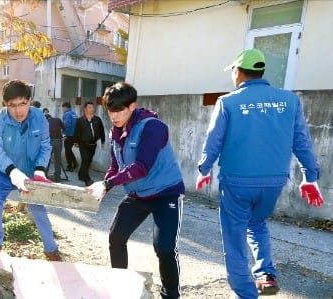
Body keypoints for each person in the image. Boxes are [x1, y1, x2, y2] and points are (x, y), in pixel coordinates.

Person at [195, 48, 323, 298]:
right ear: (261, 72)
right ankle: (265, 274)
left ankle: (245, 293)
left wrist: (204, 168)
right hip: (274, 182)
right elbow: (302, 141)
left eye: (233, 71)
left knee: (234, 234)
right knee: (257, 223)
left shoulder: (228, 102)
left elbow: (213, 141)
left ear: (238, 73)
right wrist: (310, 177)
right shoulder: (289, 100)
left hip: (237, 182)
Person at [87, 82, 184, 299]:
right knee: (116, 237)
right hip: (138, 195)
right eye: (110, 111)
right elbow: (115, 166)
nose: (114, 116)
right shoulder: (116, 132)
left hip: (165, 193)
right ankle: (120, 285)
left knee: (165, 248)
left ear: (132, 106)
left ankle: (171, 295)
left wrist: (107, 184)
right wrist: (104, 186)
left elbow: (142, 166)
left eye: (119, 110)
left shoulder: (153, 127)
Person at [0, 79, 61, 261]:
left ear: (30, 101)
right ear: (5, 105)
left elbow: (46, 145)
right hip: (6, 174)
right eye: (12, 105)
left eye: (23, 104)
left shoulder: (39, 117)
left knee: (39, 211)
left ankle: (51, 249)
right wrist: (12, 171)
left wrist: (39, 170)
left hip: (31, 175)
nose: (18, 110)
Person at [73, 101, 105, 186]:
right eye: (89, 107)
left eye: (92, 107)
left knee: (88, 161)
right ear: (85, 109)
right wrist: (75, 141)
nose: (92, 109)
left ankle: (81, 174)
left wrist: (103, 141)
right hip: (83, 144)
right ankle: (87, 179)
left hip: (93, 144)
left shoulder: (97, 119)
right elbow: (76, 131)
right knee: (86, 159)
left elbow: (101, 130)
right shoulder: (80, 120)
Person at [44, 108, 66, 181]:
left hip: (49, 141)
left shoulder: (45, 121)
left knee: (47, 158)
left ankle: (45, 174)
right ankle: (57, 175)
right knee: (58, 159)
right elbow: (64, 128)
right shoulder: (58, 119)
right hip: (58, 141)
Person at [62, 102, 79, 171]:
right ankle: (74, 163)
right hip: (74, 135)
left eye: (63, 108)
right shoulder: (74, 114)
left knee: (67, 151)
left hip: (68, 135)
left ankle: (70, 166)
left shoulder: (67, 114)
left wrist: (64, 134)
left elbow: (66, 125)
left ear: (65, 107)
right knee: (69, 150)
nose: (62, 109)